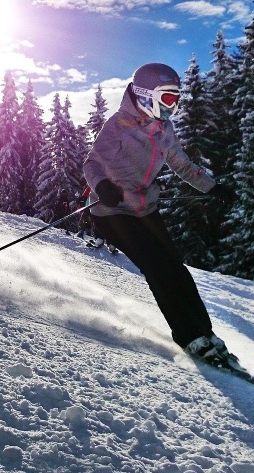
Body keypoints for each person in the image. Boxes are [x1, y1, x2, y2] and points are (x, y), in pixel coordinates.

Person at [83, 62, 236, 367]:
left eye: (176, 99)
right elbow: (91, 163)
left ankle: (206, 333)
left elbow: (181, 164)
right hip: (111, 210)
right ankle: (189, 336)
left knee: (176, 268)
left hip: (143, 208)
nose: (173, 106)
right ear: (144, 94)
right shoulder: (118, 125)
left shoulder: (164, 129)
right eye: (167, 98)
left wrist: (211, 187)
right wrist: (102, 186)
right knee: (158, 267)